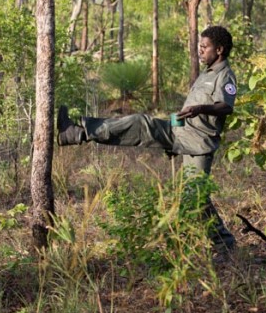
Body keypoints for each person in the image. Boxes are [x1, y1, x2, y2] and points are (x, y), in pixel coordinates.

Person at [57, 25, 237, 249]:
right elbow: (190, 110)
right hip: (180, 133)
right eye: (199, 46)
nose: (199, 51)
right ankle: (77, 132)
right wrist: (171, 139)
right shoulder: (207, 73)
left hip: (199, 142)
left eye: (204, 47)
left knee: (196, 196)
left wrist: (200, 108)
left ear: (219, 50)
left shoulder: (225, 75)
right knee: (140, 123)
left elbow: (225, 107)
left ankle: (224, 245)